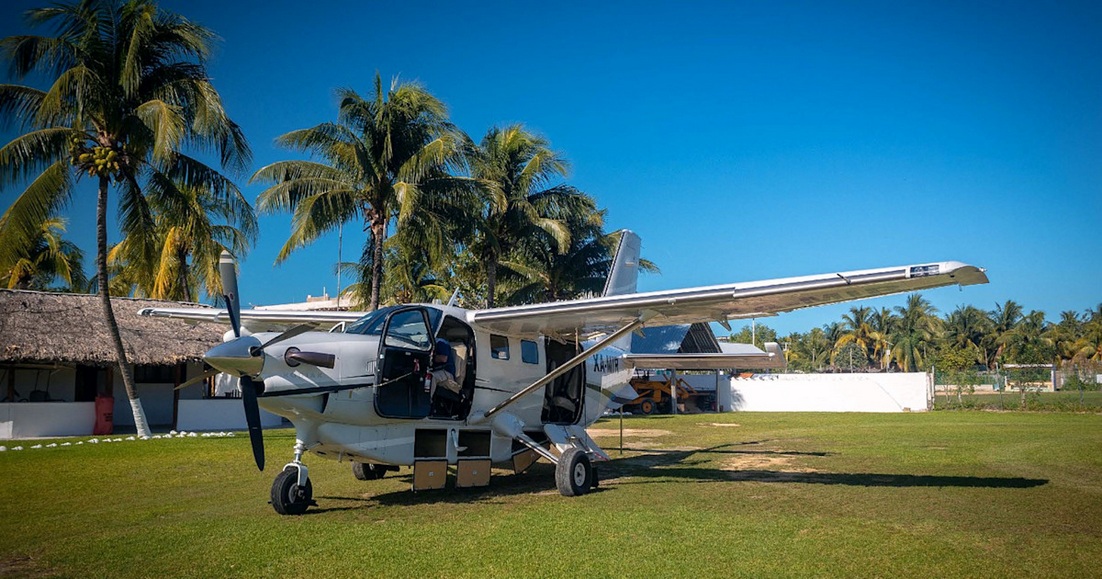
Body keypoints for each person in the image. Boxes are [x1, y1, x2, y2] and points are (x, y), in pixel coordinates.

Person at [430, 339, 462, 415]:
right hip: (436, 370)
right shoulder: (428, 343)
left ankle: (428, 403)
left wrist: (430, 357)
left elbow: (444, 359)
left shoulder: (441, 343)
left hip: (447, 372)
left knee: (432, 377)